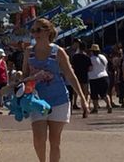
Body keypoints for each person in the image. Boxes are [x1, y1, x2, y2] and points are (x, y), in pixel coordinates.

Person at [22, 18, 89, 162]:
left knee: (55, 140)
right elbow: (24, 75)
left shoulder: (58, 51)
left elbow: (70, 75)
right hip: (36, 101)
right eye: (33, 30)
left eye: (38, 30)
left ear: (48, 31)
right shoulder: (29, 52)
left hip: (58, 100)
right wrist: (20, 83)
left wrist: (83, 99)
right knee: (39, 138)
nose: (35, 33)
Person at [87, 44, 112, 113]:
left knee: (94, 94)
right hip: (105, 76)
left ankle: (95, 108)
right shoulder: (103, 57)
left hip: (94, 78)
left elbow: (90, 68)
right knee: (104, 94)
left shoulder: (91, 59)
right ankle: (109, 105)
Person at [69, 40, 91, 117]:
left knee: (76, 91)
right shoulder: (87, 57)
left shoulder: (75, 56)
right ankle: (85, 106)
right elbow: (90, 68)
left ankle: (74, 103)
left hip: (77, 75)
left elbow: (72, 65)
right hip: (85, 76)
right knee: (85, 93)